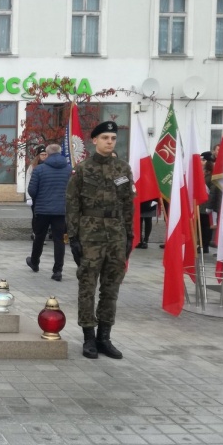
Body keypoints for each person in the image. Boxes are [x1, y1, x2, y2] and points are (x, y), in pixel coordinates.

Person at [66, 121, 134, 360]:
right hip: (90, 235)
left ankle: (105, 338)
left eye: (113, 138)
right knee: (87, 286)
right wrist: (73, 237)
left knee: (111, 287)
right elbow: (72, 204)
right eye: (105, 137)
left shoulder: (123, 169)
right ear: (94, 140)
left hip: (116, 234)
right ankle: (88, 337)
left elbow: (128, 204)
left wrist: (130, 235)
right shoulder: (83, 169)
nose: (109, 142)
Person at [26, 144, 71, 281]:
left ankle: (35, 262)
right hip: (61, 210)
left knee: (39, 237)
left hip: (42, 209)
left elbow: (32, 191)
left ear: (48, 154)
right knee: (59, 240)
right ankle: (58, 271)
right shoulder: (69, 169)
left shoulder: (39, 169)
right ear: (60, 153)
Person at [199, 152, 216, 252]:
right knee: (201, 226)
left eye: (202, 160)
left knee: (206, 226)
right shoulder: (202, 174)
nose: (201, 162)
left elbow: (212, 191)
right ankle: (201, 243)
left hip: (206, 204)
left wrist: (209, 205)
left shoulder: (211, 176)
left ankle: (205, 246)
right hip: (200, 204)